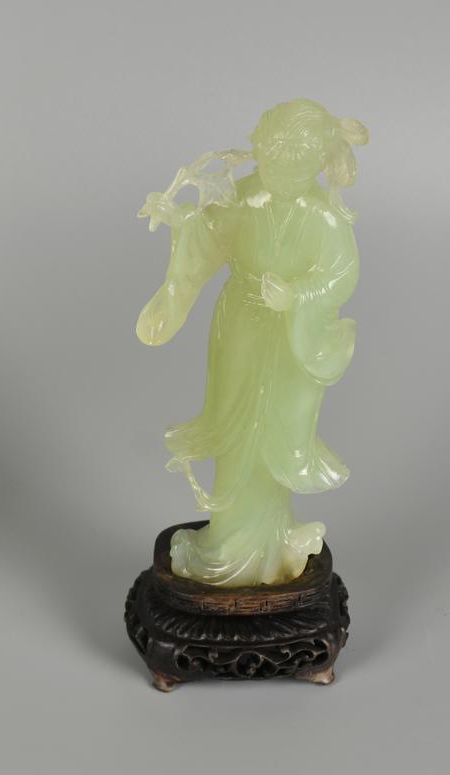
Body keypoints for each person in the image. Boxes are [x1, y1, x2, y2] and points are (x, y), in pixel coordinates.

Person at [137, 100, 367, 586]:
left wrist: (297, 296)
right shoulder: (246, 196)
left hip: (289, 333)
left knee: (273, 433)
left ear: (316, 164)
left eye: (293, 168)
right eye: (272, 163)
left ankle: (275, 540)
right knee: (236, 426)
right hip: (240, 322)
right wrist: (178, 219)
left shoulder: (324, 215)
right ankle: (226, 540)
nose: (278, 176)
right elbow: (209, 234)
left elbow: (341, 275)